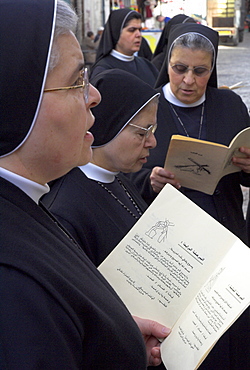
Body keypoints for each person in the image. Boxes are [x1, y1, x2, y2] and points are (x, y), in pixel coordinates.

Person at [0, 0, 170, 368]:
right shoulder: (13, 283)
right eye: (78, 81)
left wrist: (114, 337)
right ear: (19, 100)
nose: (94, 96)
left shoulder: (24, 201)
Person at [128, 22, 250, 369]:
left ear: (211, 70)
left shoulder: (229, 104)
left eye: (200, 71)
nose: (188, 80)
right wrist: (148, 180)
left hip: (225, 238)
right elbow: (119, 173)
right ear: (167, 63)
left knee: (229, 335)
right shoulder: (147, 110)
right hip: (171, 251)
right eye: (179, 69)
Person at [42, 69, 159, 267]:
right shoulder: (65, 211)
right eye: (143, 133)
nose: (153, 142)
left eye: (153, 130)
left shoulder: (119, 178)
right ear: (109, 128)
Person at [90, 8, 159, 86]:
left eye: (140, 30)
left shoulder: (147, 65)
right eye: (132, 30)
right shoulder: (103, 70)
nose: (138, 35)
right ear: (116, 33)